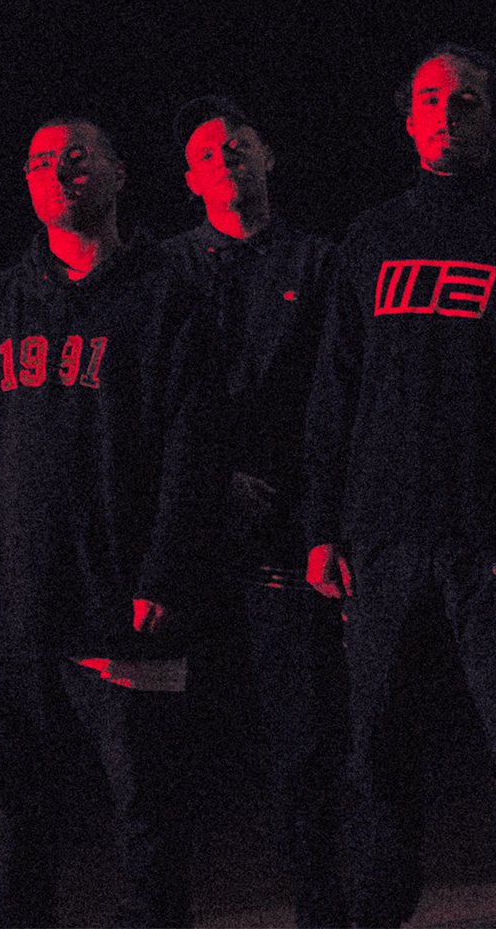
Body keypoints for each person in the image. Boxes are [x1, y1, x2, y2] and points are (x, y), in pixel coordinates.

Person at [302, 45, 496, 928]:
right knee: (376, 752)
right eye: (430, 99)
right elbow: (336, 391)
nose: (447, 114)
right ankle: (376, 913)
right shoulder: (372, 238)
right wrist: (322, 527)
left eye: (466, 101)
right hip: (384, 541)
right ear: (408, 118)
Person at [0, 117, 215, 928]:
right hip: (11, 602)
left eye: (77, 158)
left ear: (119, 174)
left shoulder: (168, 296)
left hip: (122, 601)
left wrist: (165, 571)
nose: (59, 172)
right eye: (41, 162)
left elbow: (193, 448)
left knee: (146, 811)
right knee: (15, 810)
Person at [160, 95, 346, 928]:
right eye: (207, 153)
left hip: (290, 533)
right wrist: (212, 481)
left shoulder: (318, 262)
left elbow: (335, 396)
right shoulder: (165, 269)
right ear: (189, 178)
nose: (225, 159)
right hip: (187, 538)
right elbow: (152, 403)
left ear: (268, 157)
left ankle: (321, 910)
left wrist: (319, 520)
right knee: (169, 748)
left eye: (237, 145)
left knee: (304, 743)